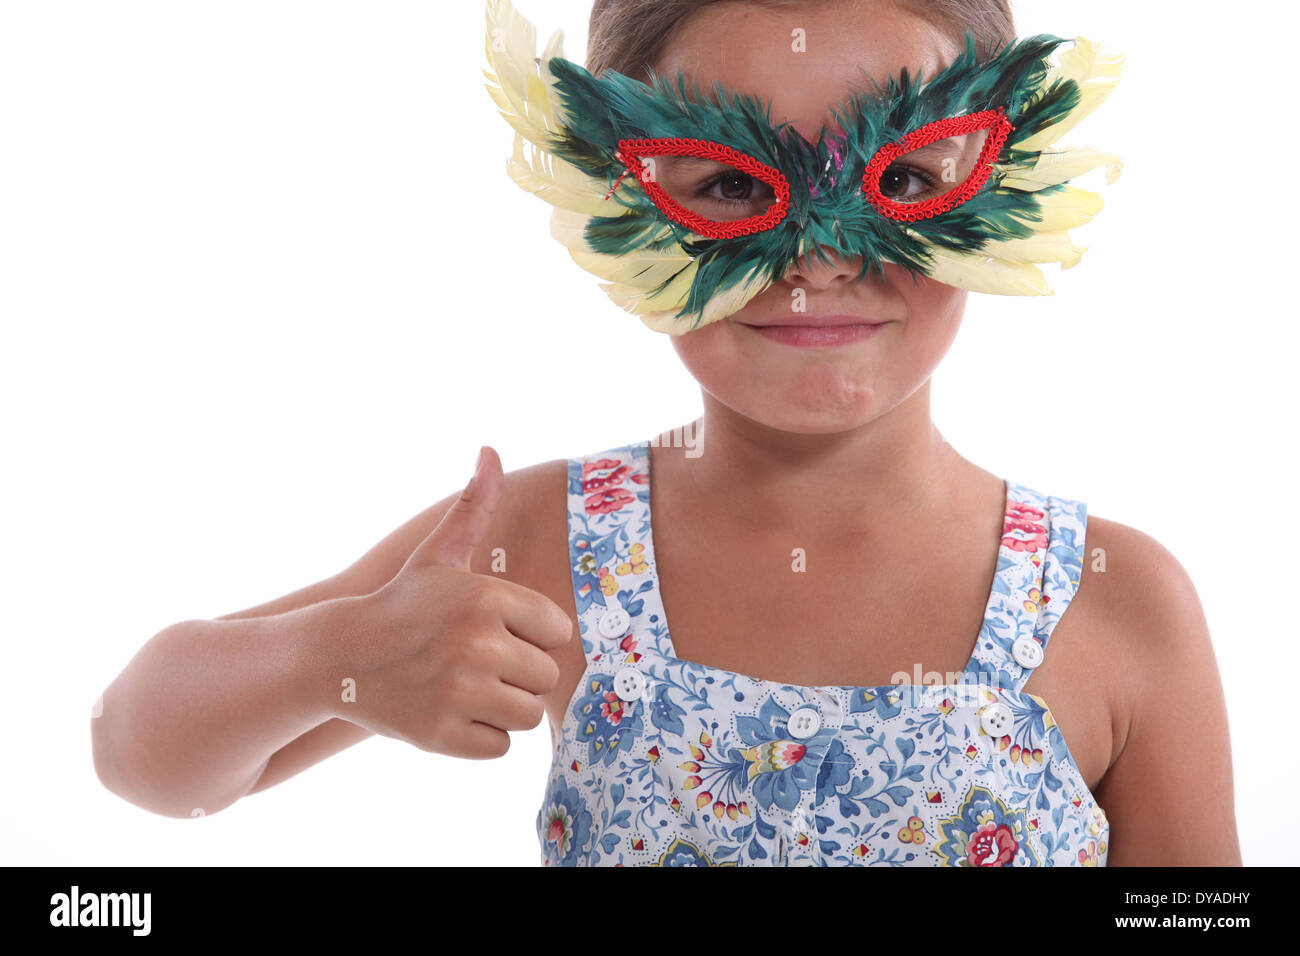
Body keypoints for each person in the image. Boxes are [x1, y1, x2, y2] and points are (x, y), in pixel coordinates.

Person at [91, 0, 1241, 866]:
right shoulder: (542, 545)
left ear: (1005, 174)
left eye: (902, 176)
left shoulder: (1116, 597)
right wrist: (331, 658)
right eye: (733, 189)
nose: (818, 255)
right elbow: (136, 752)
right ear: (613, 199)